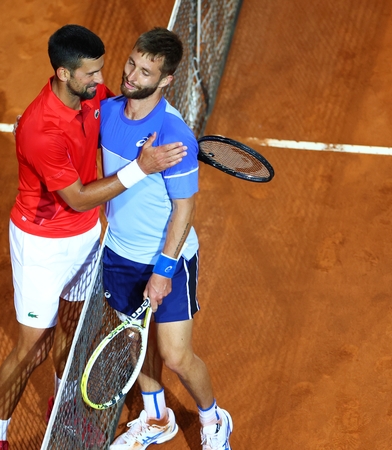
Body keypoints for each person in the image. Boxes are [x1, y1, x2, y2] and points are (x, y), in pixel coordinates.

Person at [0, 24, 188, 450]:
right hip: (42, 245)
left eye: (101, 70)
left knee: (71, 332)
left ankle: (63, 406)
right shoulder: (41, 129)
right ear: (63, 73)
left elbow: (131, 105)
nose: (100, 80)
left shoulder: (90, 97)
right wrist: (140, 168)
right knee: (32, 350)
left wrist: (171, 129)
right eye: (91, 74)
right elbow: (78, 199)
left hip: (87, 240)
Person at [99, 28, 233, 449]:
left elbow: (185, 210)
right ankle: (157, 417)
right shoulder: (105, 113)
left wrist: (163, 270)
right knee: (136, 341)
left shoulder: (174, 136)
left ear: (166, 80)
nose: (132, 77)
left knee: (175, 355)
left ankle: (214, 419)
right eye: (131, 65)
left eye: (145, 72)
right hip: (118, 253)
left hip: (166, 258)